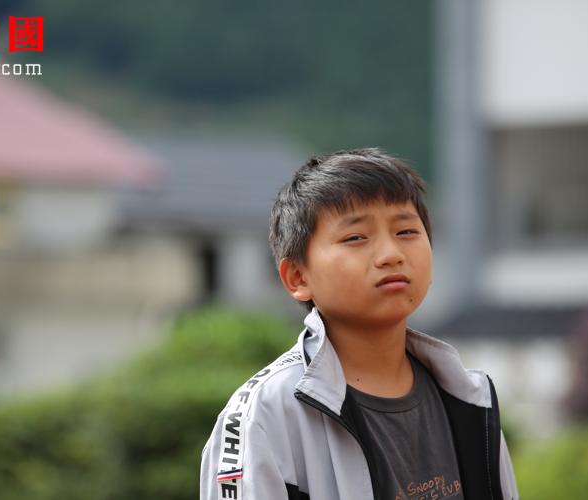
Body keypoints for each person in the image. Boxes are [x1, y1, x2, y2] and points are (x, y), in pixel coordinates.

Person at [200, 148, 519, 500]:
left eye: (406, 231)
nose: (391, 254)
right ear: (297, 277)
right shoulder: (264, 414)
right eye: (356, 238)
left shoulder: (470, 399)